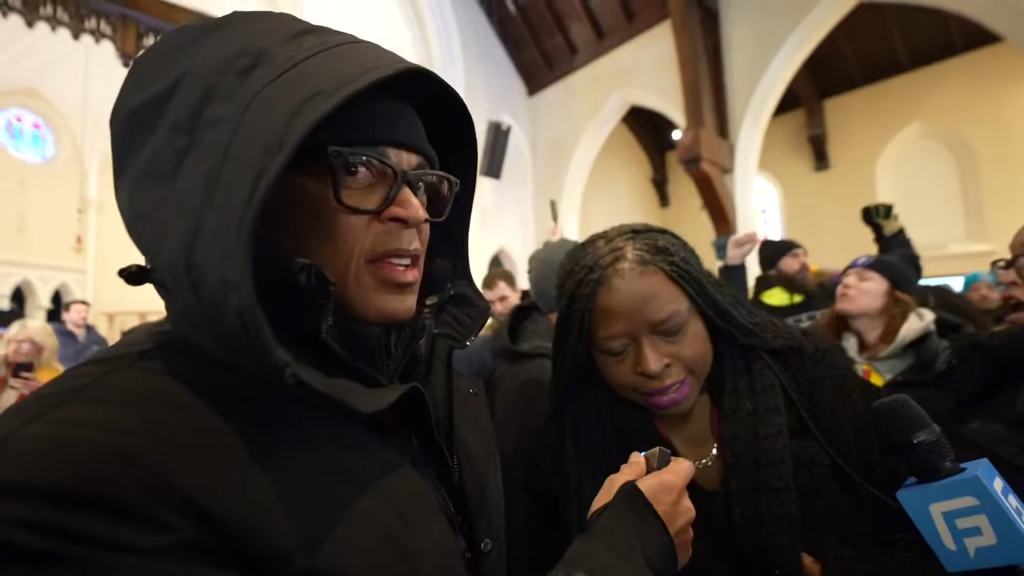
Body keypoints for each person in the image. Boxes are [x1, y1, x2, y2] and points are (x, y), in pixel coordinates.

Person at [0, 12, 695, 576]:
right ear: (245, 193)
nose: (414, 212)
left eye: (424, 182)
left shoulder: (433, 378)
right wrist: (625, 551)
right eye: (363, 169)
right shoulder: (77, 469)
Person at [530, 223, 946, 575]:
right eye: (617, 350)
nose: (652, 364)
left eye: (671, 330)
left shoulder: (807, 376)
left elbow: (911, 529)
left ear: (709, 313)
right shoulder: (566, 446)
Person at [821, 252, 1024, 489]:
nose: (847, 282)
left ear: (897, 294)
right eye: (845, 277)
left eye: (863, 278)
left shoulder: (951, 354)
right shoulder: (824, 358)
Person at [719, 204, 917, 328]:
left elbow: (897, 277)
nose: (805, 262)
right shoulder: (758, 311)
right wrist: (733, 266)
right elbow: (731, 319)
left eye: (805, 255)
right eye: (794, 256)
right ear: (771, 267)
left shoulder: (829, 292)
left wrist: (890, 234)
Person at [0, 319, 62, 413]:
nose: (25, 348)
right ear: (9, 342)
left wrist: (42, 393)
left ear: (44, 349)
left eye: (33, 343)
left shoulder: (52, 373)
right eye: (19, 341)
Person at [50, 299, 109, 368]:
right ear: (64, 315)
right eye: (78, 312)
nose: (83, 315)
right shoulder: (53, 338)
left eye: (86, 312)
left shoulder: (98, 341)